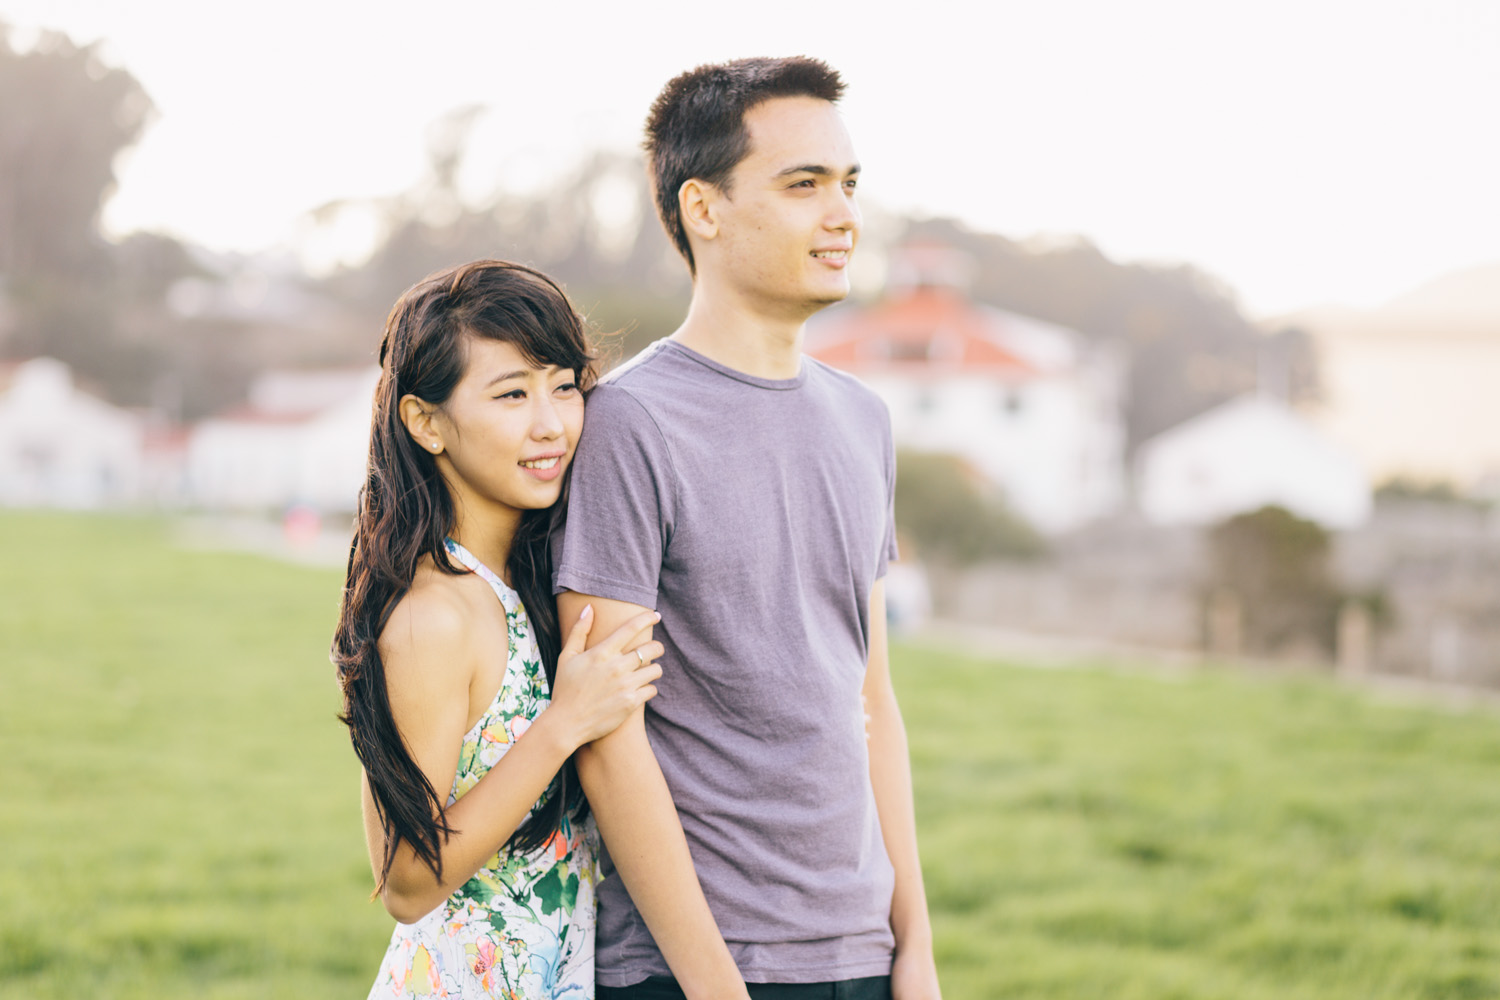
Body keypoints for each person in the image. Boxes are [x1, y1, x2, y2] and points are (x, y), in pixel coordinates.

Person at [554, 58, 943, 999]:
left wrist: (915, 948)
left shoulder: (865, 419)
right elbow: (609, 735)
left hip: (861, 953)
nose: (843, 213)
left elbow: (870, 703)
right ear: (704, 208)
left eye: (849, 185)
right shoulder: (630, 424)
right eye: (803, 184)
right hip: (699, 968)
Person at [333, 260, 673, 999]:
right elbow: (407, 881)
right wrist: (564, 723)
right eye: (512, 394)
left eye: (563, 385)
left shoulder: (525, 582)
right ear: (426, 423)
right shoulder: (433, 617)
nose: (551, 423)